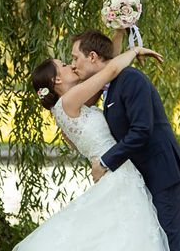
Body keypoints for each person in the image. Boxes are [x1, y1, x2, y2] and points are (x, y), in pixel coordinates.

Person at [13, 45, 169, 251]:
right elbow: (110, 71)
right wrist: (135, 51)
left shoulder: (68, 105)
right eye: (64, 65)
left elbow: (103, 65)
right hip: (117, 172)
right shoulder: (70, 100)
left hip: (113, 170)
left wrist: (119, 34)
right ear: (56, 80)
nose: (71, 66)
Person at [71, 30, 180, 251]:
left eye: (75, 57)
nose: (73, 65)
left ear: (93, 57)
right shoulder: (110, 86)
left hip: (163, 172)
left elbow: (142, 130)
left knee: (169, 241)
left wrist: (105, 163)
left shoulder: (130, 79)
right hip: (145, 173)